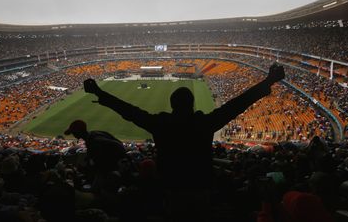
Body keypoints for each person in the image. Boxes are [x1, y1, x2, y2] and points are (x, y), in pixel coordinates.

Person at [84, 64, 284, 220]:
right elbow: (237, 104)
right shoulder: (204, 123)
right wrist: (268, 81)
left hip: (171, 188)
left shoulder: (161, 123)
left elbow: (129, 111)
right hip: (201, 188)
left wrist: (100, 93)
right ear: (192, 104)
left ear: (172, 105)